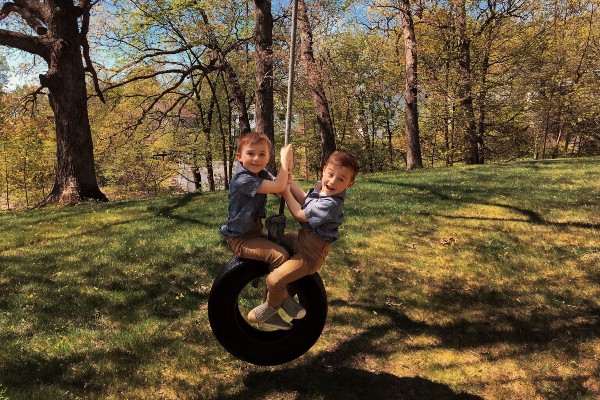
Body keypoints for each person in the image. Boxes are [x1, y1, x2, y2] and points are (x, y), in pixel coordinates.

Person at [247, 150, 359, 330]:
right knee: (273, 241)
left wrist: (285, 192)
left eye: (341, 179)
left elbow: (300, 215)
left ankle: (270, 308)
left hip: (311, 254)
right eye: (331, 174)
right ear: (324, 170)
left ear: (350, 183)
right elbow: (305, 201)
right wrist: (290, 183)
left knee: (274, 280)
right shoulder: (321, 189)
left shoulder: (332, 204)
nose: (332, 182)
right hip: (302, 240)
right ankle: (286, 300)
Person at [220, 132, 294, 327]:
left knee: (291, 245)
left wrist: (287, 171)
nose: (256, 159)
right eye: (250, 153)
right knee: (280, 256)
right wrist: (284, 162)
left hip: (254, 233)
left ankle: (271, 306)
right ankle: (277, 303)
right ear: (239, 157)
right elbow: (278, 183)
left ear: (268, 158)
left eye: (262, 154)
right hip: (241, 240)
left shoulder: (260, 174)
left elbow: (279, 188)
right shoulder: (243, 179)